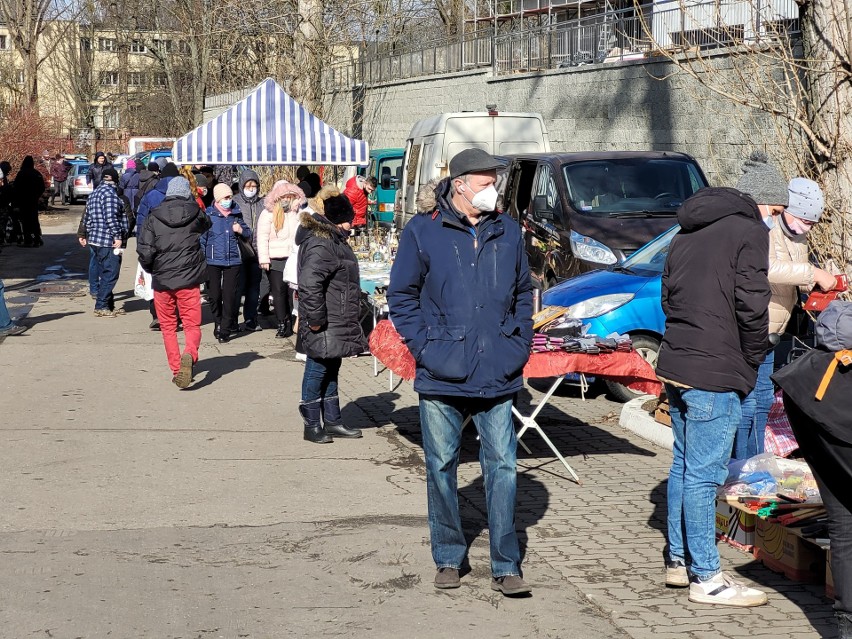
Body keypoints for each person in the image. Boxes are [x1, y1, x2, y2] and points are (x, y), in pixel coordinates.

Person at [387, 148, 534, 595]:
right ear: (460, 184)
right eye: (486, 182)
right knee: (440, 466)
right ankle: (449, 556)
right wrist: (426, 347)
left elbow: (525, 293)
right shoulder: (423, 231)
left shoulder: (508, 231)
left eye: (496, 181)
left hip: (497, 369)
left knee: (503, 467)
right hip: (442, 371)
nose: (494, 190)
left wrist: (518, 342)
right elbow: (402, 295)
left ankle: (506, 565)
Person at [655, 186, 771, 606]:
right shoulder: (750, 231)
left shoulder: (685, 231)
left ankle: (678, 559)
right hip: (714, 370)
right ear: (761, 203)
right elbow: (753, 304)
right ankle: (706, 577)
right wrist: (754, 355)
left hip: (678, 362)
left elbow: (667, 297)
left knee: (685, 466)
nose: (775, 215)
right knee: (703, 476)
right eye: (775, 206)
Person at [733, 155, 836, 460]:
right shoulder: (764, 230)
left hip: (774, 331)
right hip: (754, 325)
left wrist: (815, 286)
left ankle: (758, 461)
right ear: (786, 210)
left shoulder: (798, 237)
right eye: (804, 220)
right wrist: (811, 274)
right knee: (748, 403)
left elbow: (797, 271)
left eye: (812, 224)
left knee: (763, 400)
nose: (807, 228)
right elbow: (766, 267)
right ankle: (741, 463)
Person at [772, 302, 852, 639]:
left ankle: (847, 622)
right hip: (836, 437)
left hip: (823, 444)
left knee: (845, 528)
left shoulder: (804, 372)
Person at [296, 185, 366, 443]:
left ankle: (333, 420)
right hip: (324, 318)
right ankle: (312, 423)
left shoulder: (331, 239)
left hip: (335, 316)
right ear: (337, 220)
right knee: (317, 369)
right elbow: (310, 283)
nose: (352, 225)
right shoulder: (322, 243)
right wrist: (315, 320)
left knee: (331, 367)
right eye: (349, 220)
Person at [137, 177, 212, 389]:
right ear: (186, 192)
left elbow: (144, 249)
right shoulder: (195, 213)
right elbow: (208, 224)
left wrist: (152, 268)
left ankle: (177, 367)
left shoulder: (154, 216)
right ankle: (190, 353)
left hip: (162, 279)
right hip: (189, 278)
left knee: (168, 327)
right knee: (191, 323)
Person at [200, 183, 250, 343]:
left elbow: (248, 232)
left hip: (233, 260)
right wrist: (201, 259)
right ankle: (218, 321)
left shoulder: (236, 214)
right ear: (218, 199)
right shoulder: (209, 215)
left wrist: (240, 230)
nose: (229, 200)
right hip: (213, 260)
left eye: (230, 197)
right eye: (226, 197)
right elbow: (202, 239)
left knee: (230, 296)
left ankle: (226, 328)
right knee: (214, 295)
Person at [257, 181, 304, 338]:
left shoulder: (297, 212)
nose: (286, 199)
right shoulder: (268, 213)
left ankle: (293, 320)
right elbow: (262, 237)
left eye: (289, 196)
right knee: (279, 293)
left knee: (293, 293)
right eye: (283, 196)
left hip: (293, 258)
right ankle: (282, 323)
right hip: (275, 258)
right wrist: (264, 258)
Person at [79, 168, 127, 317]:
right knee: (111, 273)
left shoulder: (94, 193)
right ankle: (101, 306)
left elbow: (87, 215)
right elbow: (111, 218)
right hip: (107, 240)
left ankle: (108, 304)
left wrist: (83, 233)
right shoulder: (109, 195)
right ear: (115, 180)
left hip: (95, 239)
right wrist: (118, 236)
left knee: (105, 272)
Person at [232, 169, 265, 332]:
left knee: (254, 288)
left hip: (257, 252)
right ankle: (232, 320)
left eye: (254, 185)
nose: (251, 188)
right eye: (248, 184)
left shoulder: (263, 203)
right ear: (242, 184)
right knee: (237, 287)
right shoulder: (234, 201)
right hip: (239, 251)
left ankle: (251, 318)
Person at [13, 156, 46, 248]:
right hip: (33, 201)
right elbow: (42, 187)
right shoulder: (36, 173)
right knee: (34, 220)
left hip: (23, 201)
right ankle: (37, 238)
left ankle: (28, 240)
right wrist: (37, 196)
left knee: (25, 220)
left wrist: (16, 202)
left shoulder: (21, 173)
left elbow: (16, 188)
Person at [118, 158, 140, 231]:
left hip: (126, 193)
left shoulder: (124, 176)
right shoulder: (138, 175)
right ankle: (136, 226)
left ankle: (129, 226)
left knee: (128, 210)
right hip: (136, 193)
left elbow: (121, 186)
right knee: (135, 209)